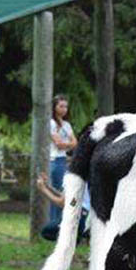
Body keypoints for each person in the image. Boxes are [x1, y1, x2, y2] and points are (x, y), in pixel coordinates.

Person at [44, 94, 77, 239]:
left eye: (65, 106)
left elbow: (75, 143)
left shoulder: (66, 125)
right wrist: (67, 144)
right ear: (54, 107)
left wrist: (67, 144)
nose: (63, 109)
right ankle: (53, 225)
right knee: (58, 192)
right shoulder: (51, 123)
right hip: (54, 160)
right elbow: (58, 144)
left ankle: (59, 225)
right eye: (60, 106)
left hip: (63, 160)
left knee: (64, 193)